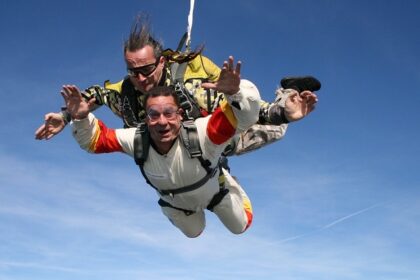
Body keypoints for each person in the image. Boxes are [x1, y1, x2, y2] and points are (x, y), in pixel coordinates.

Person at [63, 57, 317, 237]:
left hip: (218, 143)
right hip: (183, 183)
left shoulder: (198, 102)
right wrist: (73, 116)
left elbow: (244, 116)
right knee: (193, 232)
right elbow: (95, 126)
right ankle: (193, 194)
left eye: (168, 113)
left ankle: (287, 92)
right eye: (153, 115)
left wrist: (244, 96)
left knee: (275, 130)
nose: (161, 122)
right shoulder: (135, 125)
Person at [35, 14, 320, 155]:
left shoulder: (190, 89)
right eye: (132, 71)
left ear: (161, 63)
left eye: (146, 70)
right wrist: (66, 115)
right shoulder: (125, 92)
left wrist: (283, 113)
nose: (141, 79)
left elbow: (249, 109)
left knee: (277, 130)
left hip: (217, 134)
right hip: (177, 155)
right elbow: (93, 95)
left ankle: (287, 90)